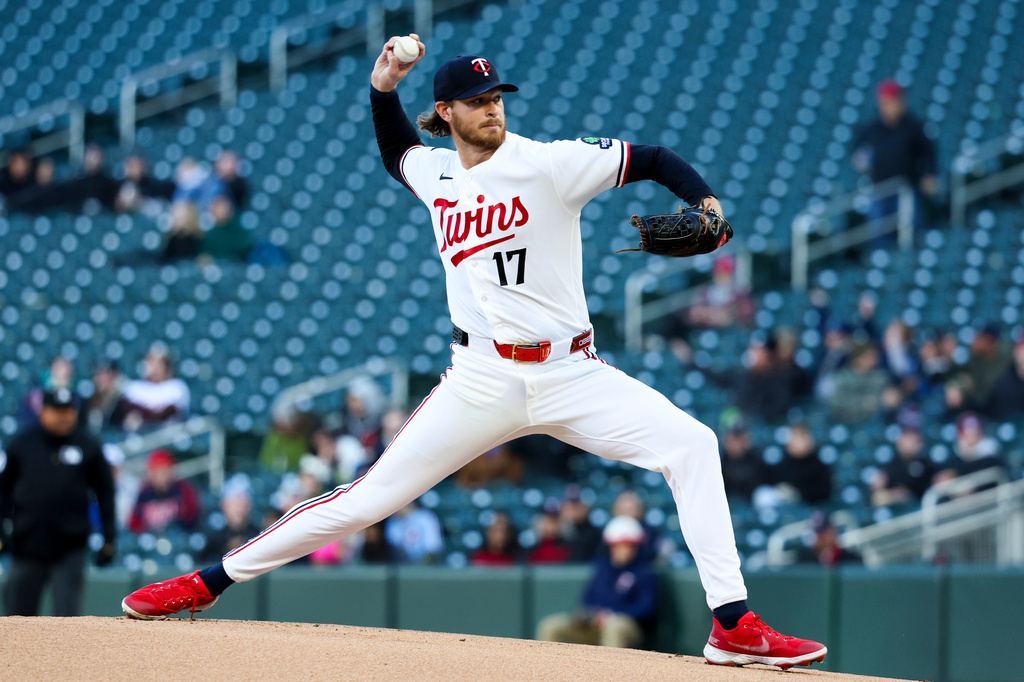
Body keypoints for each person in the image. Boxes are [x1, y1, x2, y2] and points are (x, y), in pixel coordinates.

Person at [120, 39, 826, 670]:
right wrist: (382, 85)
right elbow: (395, 151)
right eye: (477, 101)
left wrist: (703, 203)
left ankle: (732, 624)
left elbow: (654, 159)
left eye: (497, 97)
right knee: (365, 499)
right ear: (447, 112)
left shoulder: (551, 164)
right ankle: (205, 582)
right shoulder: (436, 175)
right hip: (481, 377)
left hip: (571, 370)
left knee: (694, 444)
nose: (493, 109)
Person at [0, 389, 117, 616]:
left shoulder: (87, 445)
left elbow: (105, 491)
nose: (64, 417)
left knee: (68, 618)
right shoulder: (23, 444)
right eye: (58, 411)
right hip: (27, 546)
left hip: (69, 547)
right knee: (17, 619)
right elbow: (2, 491)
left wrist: (109, 537)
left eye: (68, 411)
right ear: (43, 412)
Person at [535, 516, 657, 648]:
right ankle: (547, 668)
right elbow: (587, 599)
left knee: (614, 627)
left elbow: (646, 609)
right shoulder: (603, 568)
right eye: (619, 546)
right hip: (594, 624)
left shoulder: (644, 572)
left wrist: (611, 613)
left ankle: (611, 668)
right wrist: (589, 614)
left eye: (628, 546)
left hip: (627, 626)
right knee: (550, 625)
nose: (624, 550)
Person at [851, 79, 938, 233]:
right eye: (886, 102)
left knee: (912, 227)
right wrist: (859, 160)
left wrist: (930, 174)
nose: (890, 106)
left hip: (907, 187)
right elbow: (857, 151)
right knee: (878, 231)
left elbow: (929, 152)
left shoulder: (913, 127)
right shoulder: (872, 129)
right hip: (880, 188)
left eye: (893, 101)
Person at [117, 344, 191, 431]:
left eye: (158, 363)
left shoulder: (177, 387)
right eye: (150, 361)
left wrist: (140, 412)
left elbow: (162, 413)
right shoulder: (134, 386)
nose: (152, 366)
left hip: (168, 438)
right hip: (137, 438)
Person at [128, 449, 201, 534]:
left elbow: (193, 519)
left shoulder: (184, 489)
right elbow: (134, 524)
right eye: (157, 470)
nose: (162, 474)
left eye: (164, 469)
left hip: (180, 537)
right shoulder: (144, 492)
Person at [794, 513, 861, 567]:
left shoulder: (851, 559)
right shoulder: (802, 559)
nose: (819, 536)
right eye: (816, 532)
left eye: (822, 531)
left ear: (833, 530)